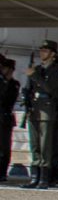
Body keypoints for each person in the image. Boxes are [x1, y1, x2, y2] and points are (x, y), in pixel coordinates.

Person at [22, 40, 58, 189]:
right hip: (35, 109)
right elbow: (29, 89)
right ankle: (34, 176)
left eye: (45, 50)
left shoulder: (57, 70)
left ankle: (44, 178)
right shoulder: (37, 69)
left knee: (45, 146)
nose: (42, 53)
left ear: (52, 54)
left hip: (47, 109)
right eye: (41, 50)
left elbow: (50, 88)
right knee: (34, 144)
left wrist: (35, 75)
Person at [0, 56, 17, 185]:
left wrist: (6, 82)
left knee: (4, 148)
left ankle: (2, 172)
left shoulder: (14, 84)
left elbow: (7, 99)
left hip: (5, 118)